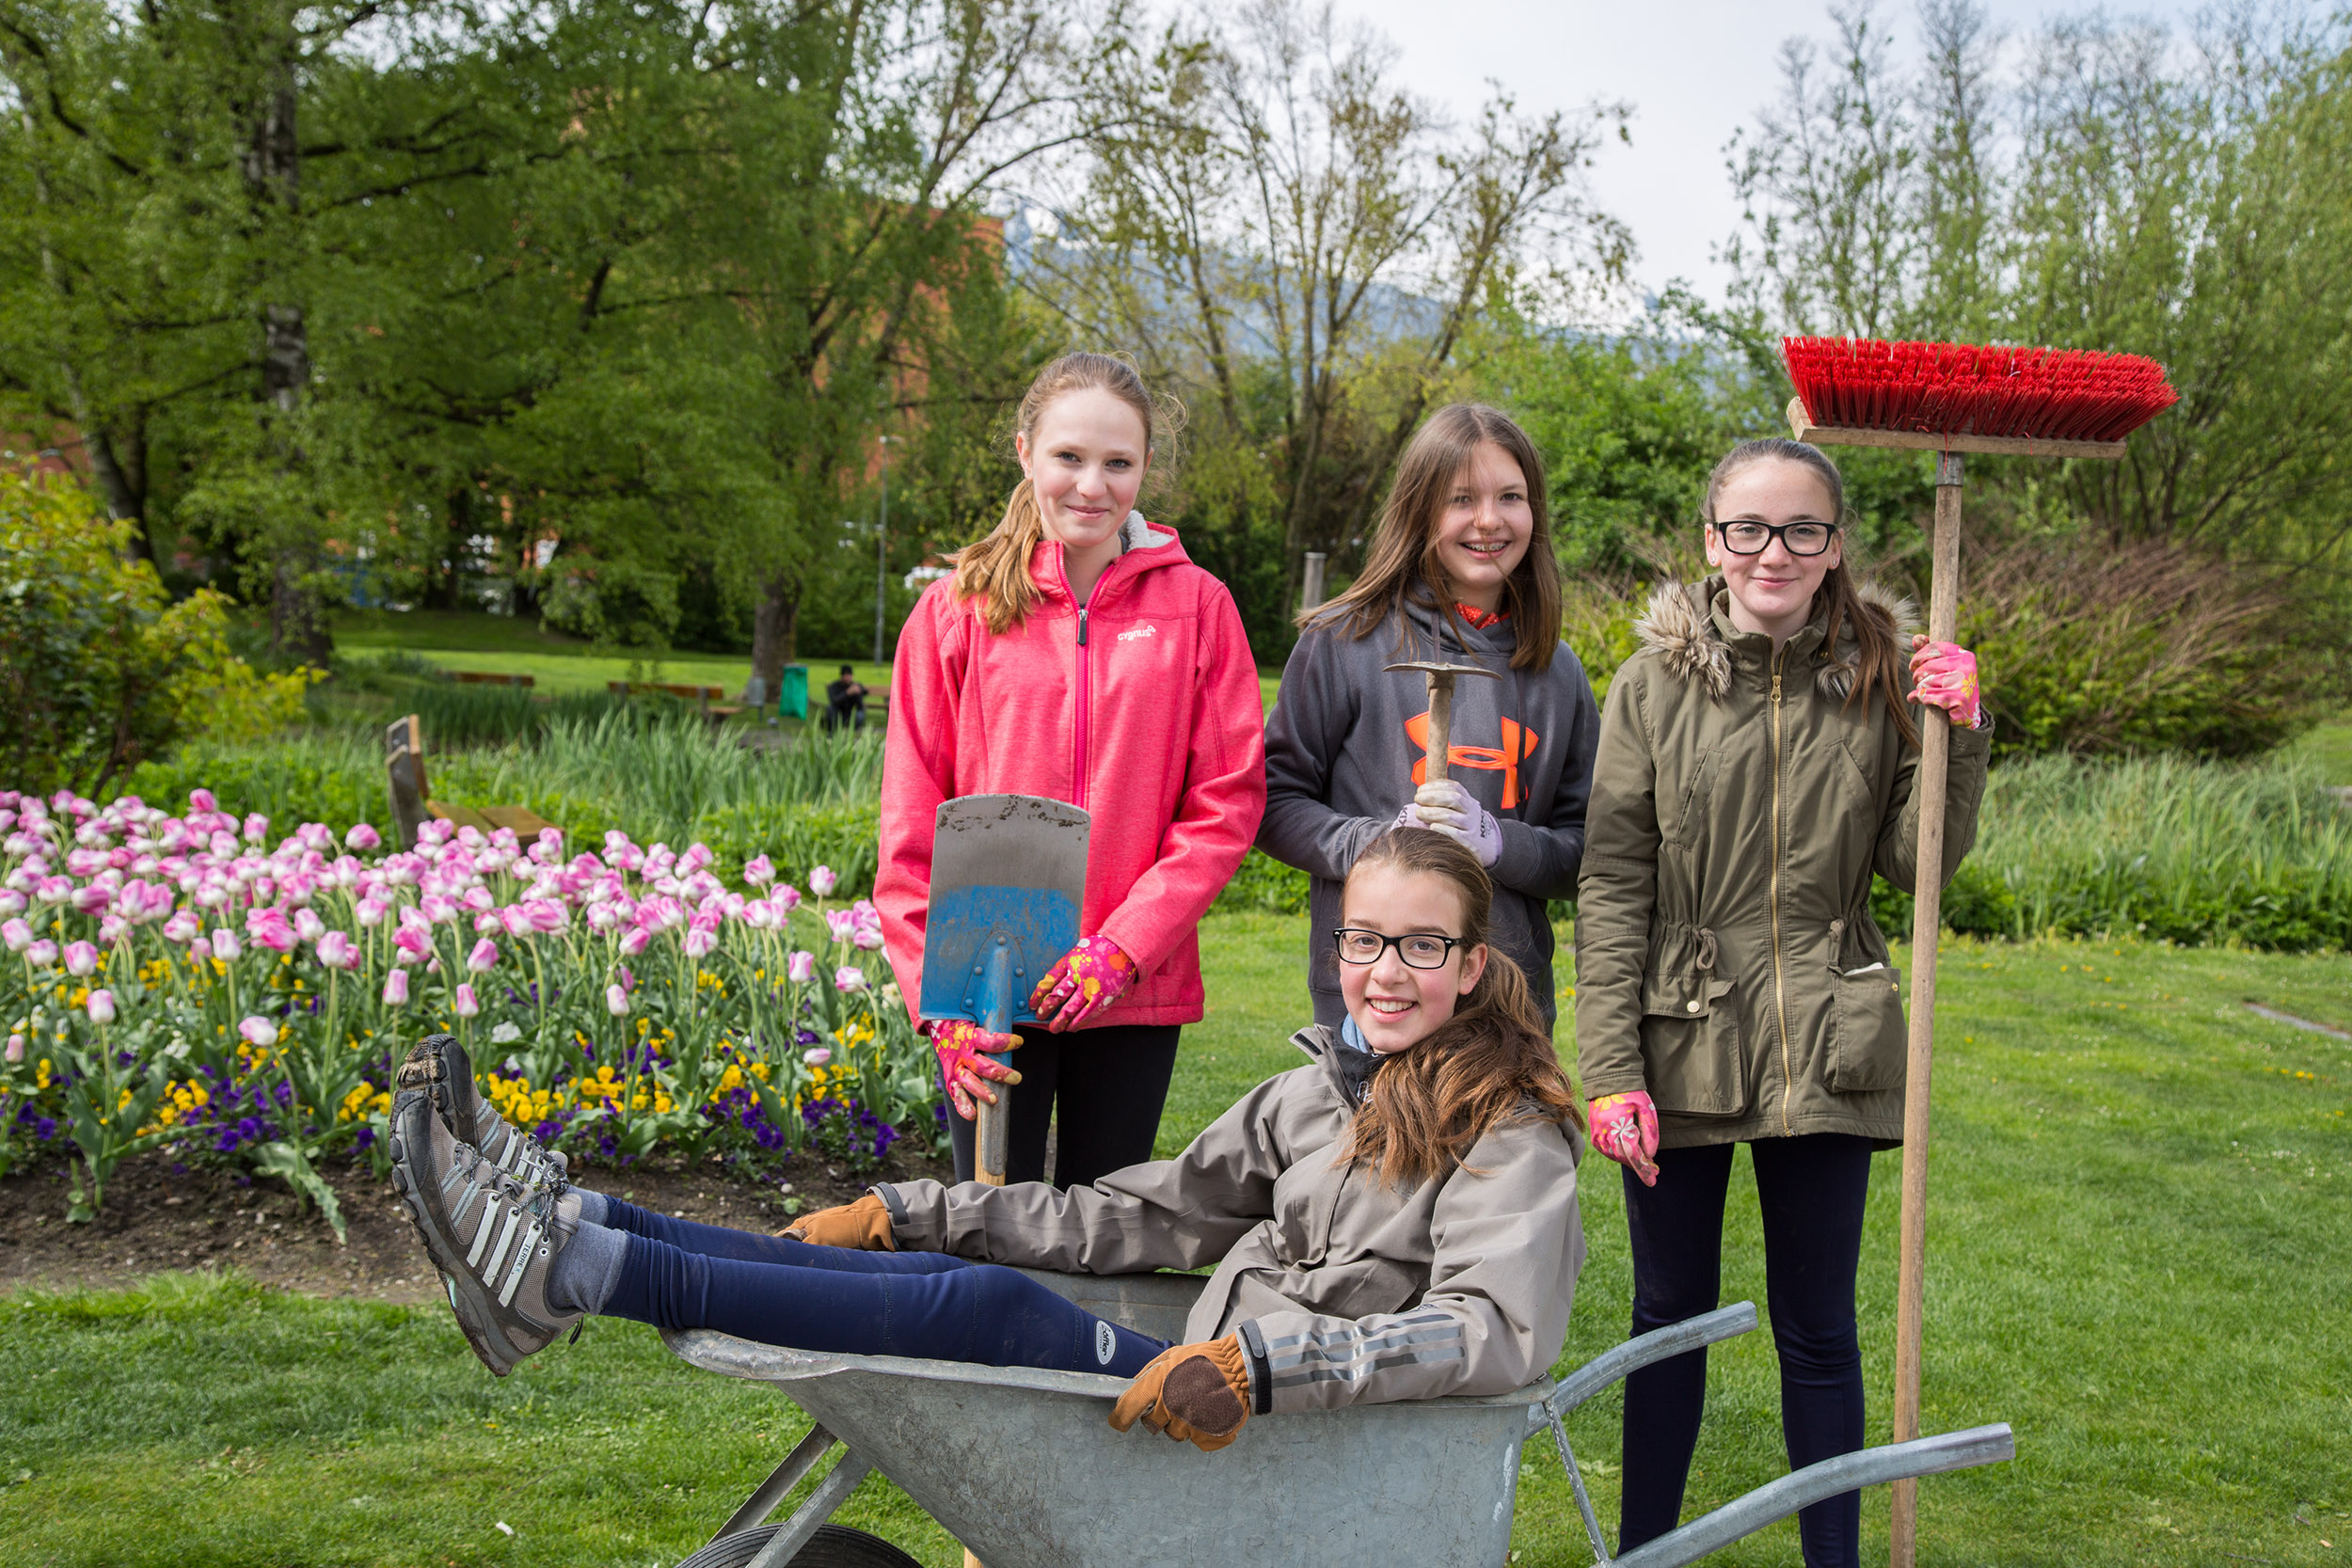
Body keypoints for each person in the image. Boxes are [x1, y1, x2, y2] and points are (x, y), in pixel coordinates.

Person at [385, 832, 1585, 1455]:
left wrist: (1265, 1369)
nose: (1385, 971)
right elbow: (1138, 1217)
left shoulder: (1507, 1133)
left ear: (1473, 963)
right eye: (1365, 939)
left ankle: (575, 1269)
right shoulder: (1311, 1093)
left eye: (1422, 946)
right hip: (1217, 1390)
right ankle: (577, 1225)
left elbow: (1490, 1328)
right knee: (929, 1271)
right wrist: (916, 1207)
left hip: (1304, 1429)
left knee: (988, 1318)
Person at [1573, 436, 1993, 1568]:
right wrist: (1609, 1069)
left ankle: (1833, 1561)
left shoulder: (1884, 678)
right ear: (1710, 539)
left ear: (1834, 546)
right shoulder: (1649, 686)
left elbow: (1919, 867)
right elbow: (1613, 883)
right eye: (1748, 527)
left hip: (1831, 1034)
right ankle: (1644, 1553)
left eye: (1801, 529)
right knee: (1668, 1321)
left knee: (1818, 1329)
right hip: (1680, 1034)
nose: (1774, 549)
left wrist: (1961, 729)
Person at [876, 353, 1265, 1189]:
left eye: (1118, 462)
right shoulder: (957, 612)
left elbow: (1225, 804)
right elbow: (911, 831)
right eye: (1069, 457)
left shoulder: (1199, 609)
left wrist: (1122, 949)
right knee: (990, 1235)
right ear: (1025, 452)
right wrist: (939, 1001)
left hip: (1130, 990)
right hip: (989, 991)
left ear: (1145, 468)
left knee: (1105, 1232)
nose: (1092, 484)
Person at [1260, 402, 1599, 1032]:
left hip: (1507, 1013)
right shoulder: (1344, 644)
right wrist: (1380, 841)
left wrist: (1500, 843)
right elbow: (1274, 803)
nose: (1490, 520)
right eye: (1461, 499)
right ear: (1419, 509)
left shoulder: (1558, 672)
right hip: (1374, 1006)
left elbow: (1588, 849)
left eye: (1511, 497)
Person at [821, 664, 868, 732]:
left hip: (851, 712)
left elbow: (860, 705)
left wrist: (858, 693)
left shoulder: (856, 686)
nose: (848, 678)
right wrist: (847, 693)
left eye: (850, 675)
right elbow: (834, 701)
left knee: (859, 715)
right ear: (841, 676)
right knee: (830, 709)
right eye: (846, 675)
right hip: (839, 712)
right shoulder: (834, 686)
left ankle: (852, 731)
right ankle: (832, 730)